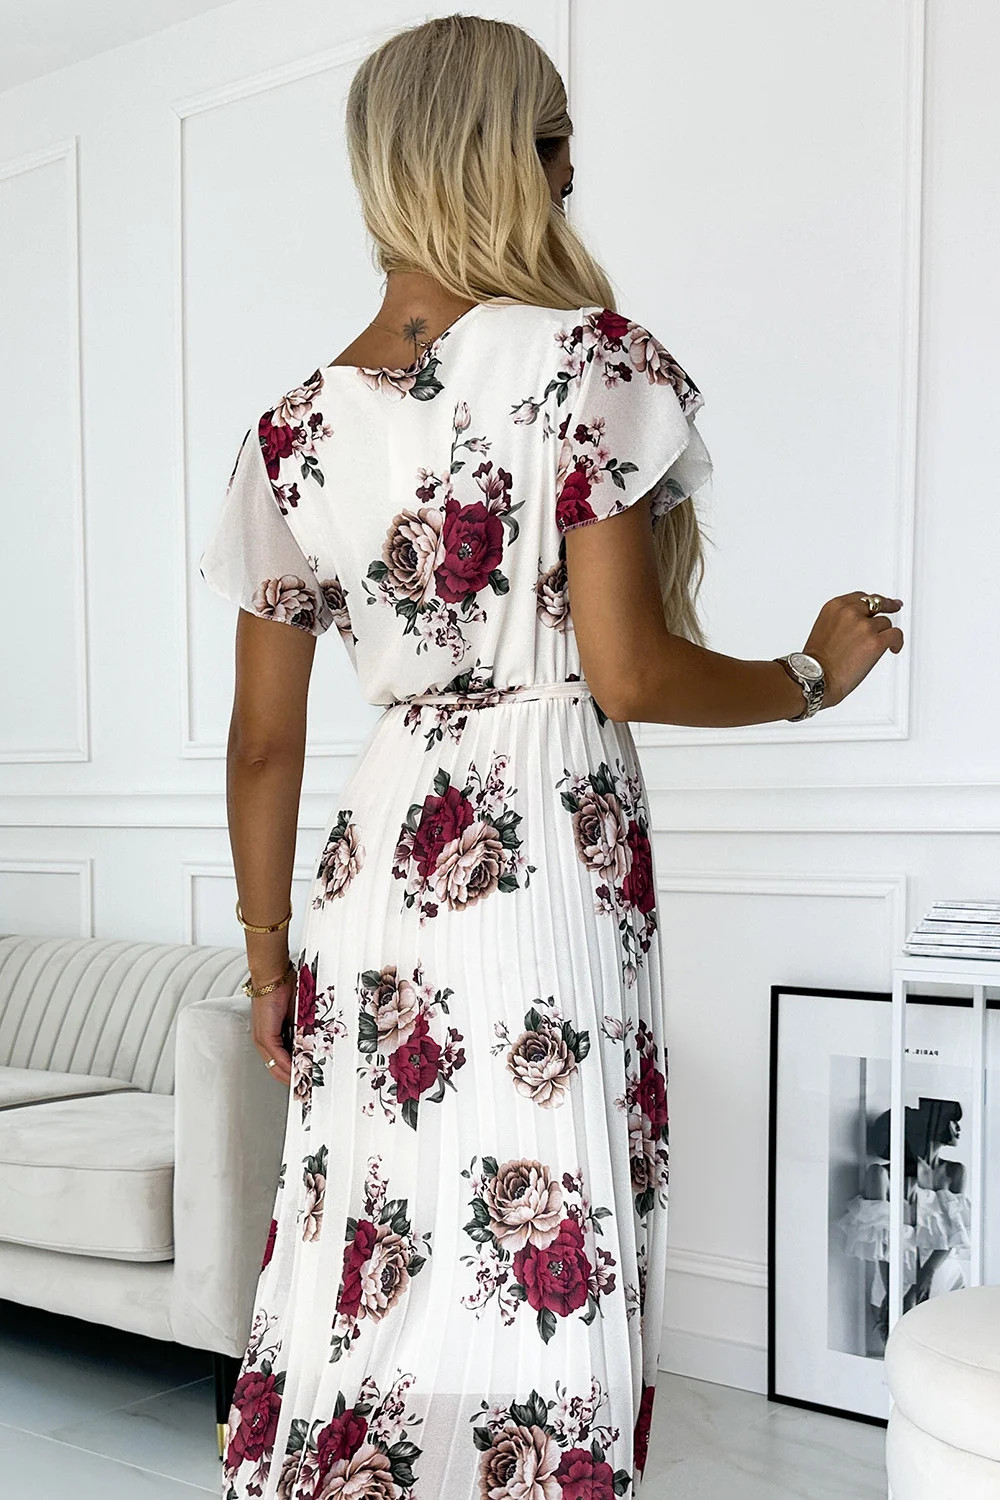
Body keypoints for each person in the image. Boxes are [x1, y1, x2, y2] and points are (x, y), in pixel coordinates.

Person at [198, 15, 905, 1498]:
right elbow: (628, 669)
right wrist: (806, 679)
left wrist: (268, 966)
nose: (575, 167)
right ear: (506, 154)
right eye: (557, 135)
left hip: (381, 851)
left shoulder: (291, 433)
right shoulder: (590, 364)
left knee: (373, 1228)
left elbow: (263, 744)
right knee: (547, 1220)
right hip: (539, 840)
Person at [837, 1099, 970, 1350]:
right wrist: (896, 1291)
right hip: (893, 1274)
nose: (958, 1128)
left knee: (944, 1352)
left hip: (941, 1274)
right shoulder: (881, 1175)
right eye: (952, 1121)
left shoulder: (955, 1172)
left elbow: (954, 1233)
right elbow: (879, 1242)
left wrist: (925, 1278)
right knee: (900, 1351)